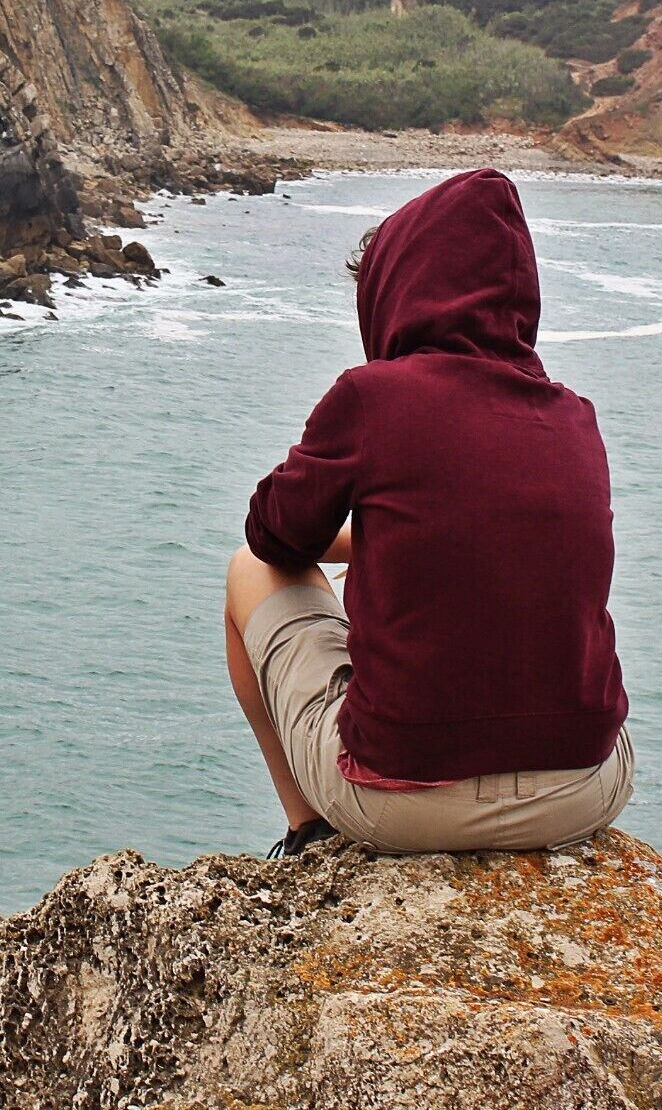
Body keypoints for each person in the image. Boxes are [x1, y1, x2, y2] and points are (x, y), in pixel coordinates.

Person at [224, 169, 633, 857]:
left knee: (246, 573)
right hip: (584, 790)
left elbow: (272, 535)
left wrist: (360, 523)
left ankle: (307, 830)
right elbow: (497, 543)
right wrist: (392, 537)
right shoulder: (573, 415)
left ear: (398, 291)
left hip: (403, 802)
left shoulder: (373, 398)